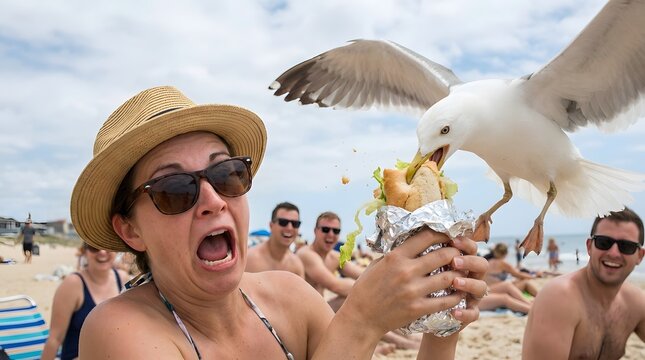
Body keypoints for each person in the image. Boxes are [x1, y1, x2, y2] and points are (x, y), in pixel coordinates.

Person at [71, 86, 488, 359]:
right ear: (130, 230)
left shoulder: (290, 297)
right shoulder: (117, 332)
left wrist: (444, 315)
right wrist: (361, 321)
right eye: (175, 189)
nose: (213, 200)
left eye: (226, 174)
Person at [523, 207, 645, 359]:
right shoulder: (560, 298)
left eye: (626, 246)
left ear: (640, 256)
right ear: (589, 247)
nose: (614, 253)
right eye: (604, 242)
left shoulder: (635, 302)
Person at [296, 211, 422, 350]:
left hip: (324, 313)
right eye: (325, 229)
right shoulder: (307, 255)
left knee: (363, 299)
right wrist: (371, 291)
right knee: (354, 301)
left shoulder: (334, 257)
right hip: (306, 319)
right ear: (315, 231)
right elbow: (335, 285)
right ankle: (402, 343)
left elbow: (363, 274)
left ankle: (407, 338)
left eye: (335, 231)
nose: (331, 234)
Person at [41, 242, 128, 360]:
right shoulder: (72, 284)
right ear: (85, 251)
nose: (102, 252)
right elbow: (55, 339)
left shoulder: (122, 279)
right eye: (94, 247)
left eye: (108, 246)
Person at [245, 202, 305, 276]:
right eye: (283, 222)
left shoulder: (296, 265)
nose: (289, 228)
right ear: (271, 225)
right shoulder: (250, 259)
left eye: (295, 224)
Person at [479, 243, 540, 314]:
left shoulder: (488, 261)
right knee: (523, 283)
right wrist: (533, 276)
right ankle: (533, 302)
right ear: (505, 254)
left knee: (509, 285)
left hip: (491, 289)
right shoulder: (502, 263)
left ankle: (531, 302)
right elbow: (518, 274)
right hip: (494, 290)